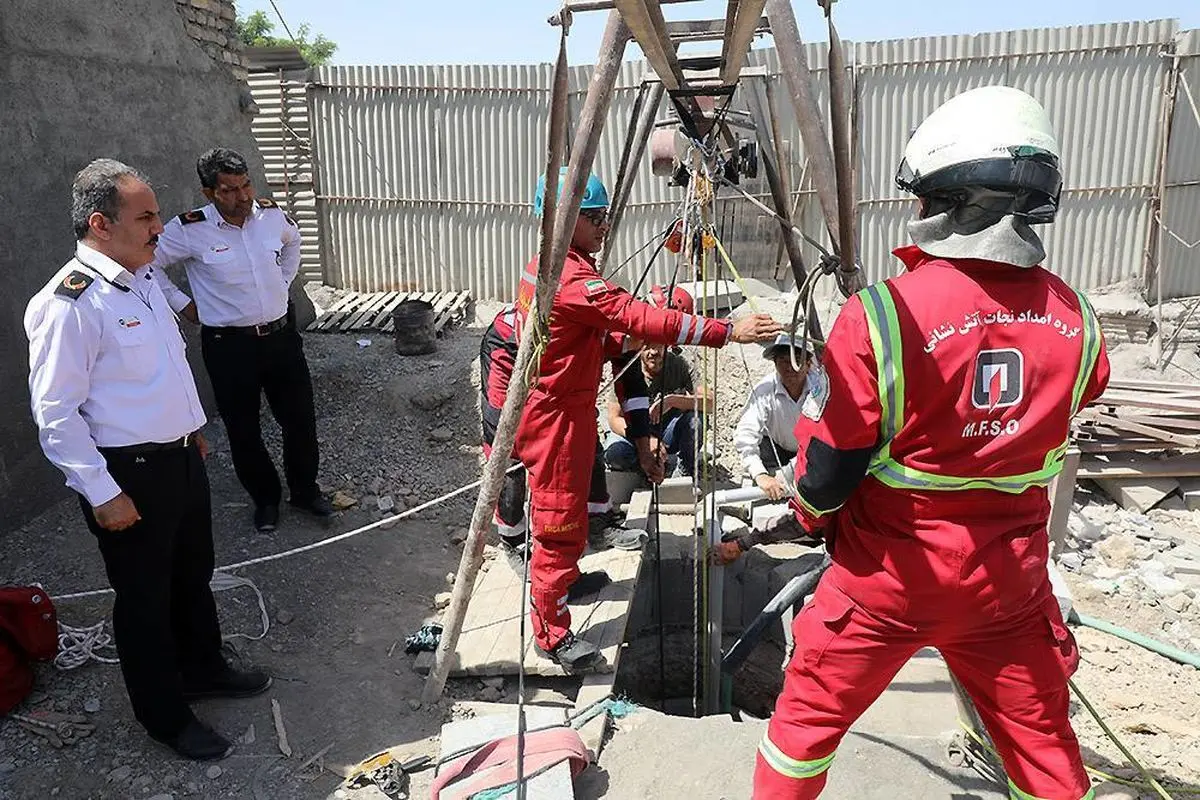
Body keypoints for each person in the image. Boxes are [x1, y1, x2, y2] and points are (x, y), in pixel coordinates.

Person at [736, 87, 1110, 799]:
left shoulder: (884, 315)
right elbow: (1072, 396)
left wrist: (809, 517)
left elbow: (829, 471)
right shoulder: (1079, 317)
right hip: (1007, 591)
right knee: (1045, 757)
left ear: (955, 198)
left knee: (801, 734)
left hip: (886, 585)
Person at [24, 159, 271, 761]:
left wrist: (191, 431)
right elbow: (56, 412)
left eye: (158, 213)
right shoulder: (71, 303)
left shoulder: (140, 278)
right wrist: (102, 493)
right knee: (144, 599)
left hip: (180, 459)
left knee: (193, 575)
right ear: (102, 224)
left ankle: (203, 667)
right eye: (147, 216)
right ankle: (165, 716)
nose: (159, 226)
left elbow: (161, 368)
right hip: (127, 475)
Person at [501, 167, 782, 670]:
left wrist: (646, 431)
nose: (604, 226)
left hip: (564, 405)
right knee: (558, 520)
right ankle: (552, 632)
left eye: (604, 216)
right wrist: (726, 331)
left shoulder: (553, 267)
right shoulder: (572, 281)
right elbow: (636, 321)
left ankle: (566, 581)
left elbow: (621, 342)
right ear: (563, 220)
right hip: (553, 416)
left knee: (577, 506)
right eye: (594, 217)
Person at [152, 148, 331, 533]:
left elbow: (293, 241)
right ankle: (265, 499)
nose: (243, 196)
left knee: (299, 420)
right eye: (230, 190)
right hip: (229, 346)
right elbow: (148, 265)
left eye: (246, 185)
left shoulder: (269, 216)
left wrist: (282, 285)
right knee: (243, 428)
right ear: (209, 193)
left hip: (281, 339)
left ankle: (304, 490)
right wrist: (183, 305)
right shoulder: (188, 229)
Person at [479, 304, 656, 573]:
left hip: (560, 359)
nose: (651, 351)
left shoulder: (626, 331)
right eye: (646, 343)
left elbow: (633, 393)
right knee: (508, 447)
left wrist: (645, 448)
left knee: (583, 432)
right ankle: (514, 538)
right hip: (511, 351)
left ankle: (598, 522)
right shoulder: (583, 329)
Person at [604, 288, 712, 478]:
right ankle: (646, 469)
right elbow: (614, 419)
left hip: (668, 432)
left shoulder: (679, 364)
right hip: (635, 434)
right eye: (648, 345)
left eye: (659, 345)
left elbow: (709, 402)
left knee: (696, 421)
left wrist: (672, 401)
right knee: (615, 454)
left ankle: (685, 468)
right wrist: (645, 442)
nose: (654, 352)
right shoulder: (627, 366)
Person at [733, 333, 814, 501]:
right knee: (761, 452)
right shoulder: (764, 390)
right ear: (775, 364)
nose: (790, 367)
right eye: (784, 361)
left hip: (812, 452)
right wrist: (760, 474)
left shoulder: (820, 389)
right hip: (777, 449)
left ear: (809, 364)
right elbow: (745, 432)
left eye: (797, 360)